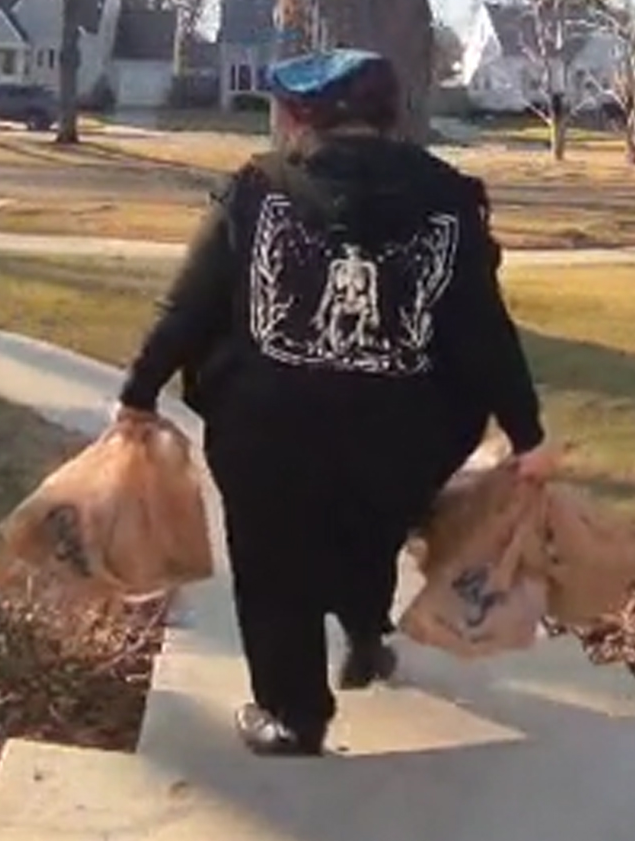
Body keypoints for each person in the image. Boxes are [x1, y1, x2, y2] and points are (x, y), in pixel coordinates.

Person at [114, 49, 559, 757]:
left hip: (268, 433)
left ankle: (293, 714)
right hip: (402, 437)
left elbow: (187, 308)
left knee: (270, 567)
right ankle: (363, 631)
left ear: (300, 117)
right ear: (389, 116)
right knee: (369, 534)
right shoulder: (450, 199)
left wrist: (138, 395)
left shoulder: (255, 192)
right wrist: (526, 432)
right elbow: (482, 330)